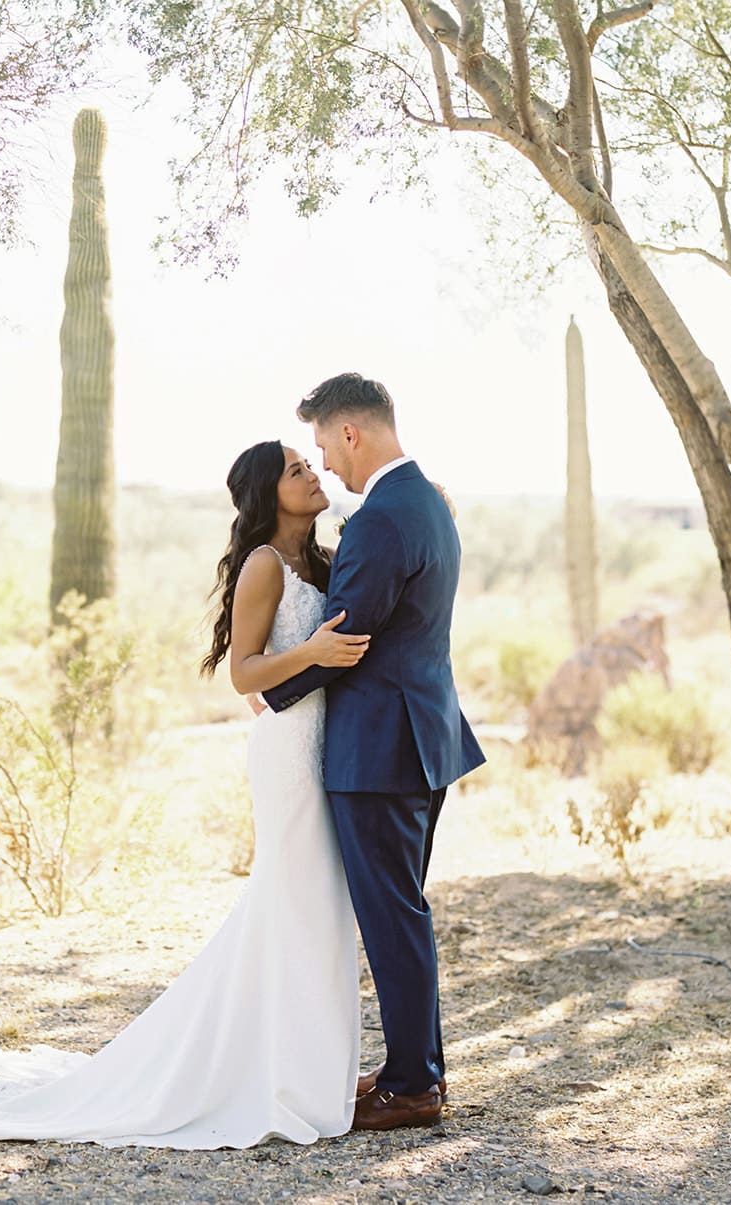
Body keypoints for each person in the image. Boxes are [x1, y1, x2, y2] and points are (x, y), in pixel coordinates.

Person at [0, 439, 372, 1149]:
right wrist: (313, 655)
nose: (313, 474)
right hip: (289, 758)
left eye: (309, 465)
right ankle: (272, 1074)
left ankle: (310, 1067)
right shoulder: (263, 564)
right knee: (294, 903)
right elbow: (244, 673)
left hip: (320, 748)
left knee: (321, 909)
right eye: (297, 470)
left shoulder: (316, 561)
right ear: (269, 493)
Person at [260, 372, 485, 1131]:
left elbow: (344, 641)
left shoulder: (383, 518)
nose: (324, 462)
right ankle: (415, 1071)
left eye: (324, 445)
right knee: (402, 912)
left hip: (381, 748)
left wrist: (271, 693)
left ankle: (415, 1086)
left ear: (351, 432)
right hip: (419, 734)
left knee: (393, 917)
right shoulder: (423, 499)